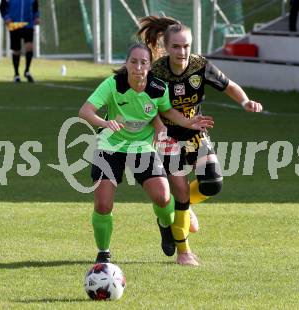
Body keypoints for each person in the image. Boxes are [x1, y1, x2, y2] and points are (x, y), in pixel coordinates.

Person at [137, 16, 263, 266]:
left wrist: (245, 101)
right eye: (176, 46)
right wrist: (160, 126)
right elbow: (148, 108)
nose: (182, 51)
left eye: (186, 46)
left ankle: (171, 215)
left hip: (195, 133)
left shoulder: (200, 66)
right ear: (166, 46)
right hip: (168, 136)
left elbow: (229, 85)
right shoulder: (156, 71)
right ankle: (184, 252)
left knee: (213, 184)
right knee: (182, 193)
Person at [78, 43, 214, 263]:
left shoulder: (158, 88)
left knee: (162, 197)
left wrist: (188, 123)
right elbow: (85, 111)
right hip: (110, 146)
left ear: (150, 66)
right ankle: (103, 252)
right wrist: (105, 122)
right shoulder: (113, 84)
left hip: (142, 147)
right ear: (126, 63)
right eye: (134, 62)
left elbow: (166, 110)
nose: (138, 67)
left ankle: (164, 224)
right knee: (103, 203)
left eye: (143, 62)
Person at [0, 0, 40, 83]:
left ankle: (27, 71)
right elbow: (2, 7)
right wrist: (6, 18)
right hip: (14, 24)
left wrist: (37, 17)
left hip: (28, 24)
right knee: (16, 50)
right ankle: (16, 74)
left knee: (29, 47)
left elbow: (35, 7)